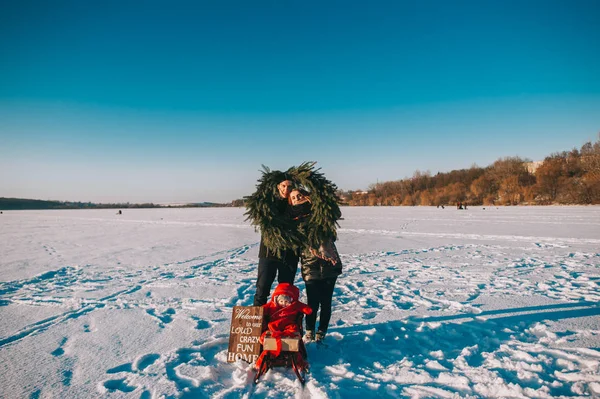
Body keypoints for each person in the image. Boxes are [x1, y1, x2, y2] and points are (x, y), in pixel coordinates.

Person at [289, 188, 342, 343]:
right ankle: (310, 330)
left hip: (329, 264)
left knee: (326, 301)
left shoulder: (320, 214)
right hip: (309, 265)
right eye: (293, 197)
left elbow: (335, 213)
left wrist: (316, 201)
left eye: (299, 195)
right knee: (312, 302)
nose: (297, 198)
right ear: (290, 201)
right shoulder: (292, 220)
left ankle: (322, 331)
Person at [253, 177, 300, 306]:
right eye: (283, 186)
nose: (286, 189)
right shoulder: (269, 204)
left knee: (286, 292)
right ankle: (257, 322)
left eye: (290, 187)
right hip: (269, 253)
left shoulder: (298, 204)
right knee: (262, 289)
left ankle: (285, 320)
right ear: (278, 186)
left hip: (290, 254)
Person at [255, 282, 312, 368]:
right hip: (274, 327)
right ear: (277, 300)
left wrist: (307, 309)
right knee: (269, 335)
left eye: (286, 301)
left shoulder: (294, 305)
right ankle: (260, 364)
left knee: (293, 331)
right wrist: (256, 312)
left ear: (291, 300)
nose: (283, 303)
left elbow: (305, 308)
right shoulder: (271, 306)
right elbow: (262, 309)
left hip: (289, 326)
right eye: (281, 301)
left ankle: (299, 363)